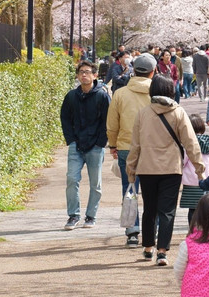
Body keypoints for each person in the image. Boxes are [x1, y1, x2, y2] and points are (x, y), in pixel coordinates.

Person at [127, 74, 204, 265]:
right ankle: (162, 252)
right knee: (167, 211)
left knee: (149, 209)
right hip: (171, 169)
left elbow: (135, 145)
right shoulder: (178, 112)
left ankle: (147, 248)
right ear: (171, 90)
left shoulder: (143, 113)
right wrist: (199, 168)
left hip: (147, 168)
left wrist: (131, 170)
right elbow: (191, 142)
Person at [107, 53, 157, 247]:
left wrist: (113, 144)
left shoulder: (120, 94)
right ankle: (152, 229)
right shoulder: (157, 93)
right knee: (152, 191)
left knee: (129, 189)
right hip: (153, 148)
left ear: (133, 71)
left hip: (126, 147)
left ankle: (132, 231)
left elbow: (112, 124)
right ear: (153, 72)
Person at [59, 60, 111, 230]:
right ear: (77, 75)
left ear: (95, 75)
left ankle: (91, 215)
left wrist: (101, 142)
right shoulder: (71, 96)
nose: (84, 75)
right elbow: (65, 118)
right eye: (81, 72)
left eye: (88, 72)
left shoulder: (102, 96)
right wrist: (71, 140)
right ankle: (73, 215)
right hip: (76, 144)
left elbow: (107, 121)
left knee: (95, 183)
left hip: (95, 146)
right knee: (72, 179)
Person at [181, 114, 209, 226]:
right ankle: (206, 232)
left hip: (190, 182)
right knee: (206, 208)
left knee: (193, 210)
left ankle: (193, 232)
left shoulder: (188, 144)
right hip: (207, 181)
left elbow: (183, 162)